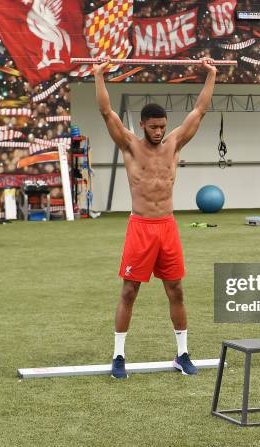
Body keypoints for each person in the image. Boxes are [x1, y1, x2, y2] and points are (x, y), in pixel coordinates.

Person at [93, 58, 217, 379]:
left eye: (162, 126)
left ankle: (182, 354)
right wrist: (98, 76)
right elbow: (107, 113)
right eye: (153, 127)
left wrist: (212, 74)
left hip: (168, 228)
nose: (159, 132)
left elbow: (199, 110)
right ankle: (119, 356)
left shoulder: (174, 144)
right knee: (129, 292)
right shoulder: (130, 146)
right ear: (143, 125)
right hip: (141, 228)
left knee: (176, 291)